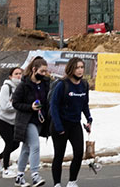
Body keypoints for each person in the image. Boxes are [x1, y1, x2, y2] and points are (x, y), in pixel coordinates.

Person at [49, 58, 93, 187]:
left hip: (75, 124)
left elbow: (84, 104)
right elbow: (54, 106)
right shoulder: (62, 84)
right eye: (77, 67)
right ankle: (57, 183)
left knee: (79, 153)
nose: (80, 70)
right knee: (59, 155)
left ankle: (72, 181)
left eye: (81, 67)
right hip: (60, 124)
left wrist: (89, 119)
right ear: (71, 69)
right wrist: (58, 126)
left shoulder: (84, 85)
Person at [12, 57, 53, 187]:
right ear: (34, 70)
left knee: (26, 149)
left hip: (39, 120)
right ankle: (35, 175)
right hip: (26, 120)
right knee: (35, 146)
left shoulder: (45, 83)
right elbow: (16, 103)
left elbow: (47, 100)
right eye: (42, 71)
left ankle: (19, 176)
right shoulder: (24, 85)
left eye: (46, 71)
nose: (44, 74)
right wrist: (30, 107)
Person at [0, 66, 27, 179]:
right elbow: (4, 106)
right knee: (9, 142)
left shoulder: (22, 88)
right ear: (10, 76)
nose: (18, 76)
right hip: (2, 119)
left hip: (13, 121)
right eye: (16, 74)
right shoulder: (6, 87)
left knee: (16, 143)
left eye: (20, 74)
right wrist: (18, 105)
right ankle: (6, 170)